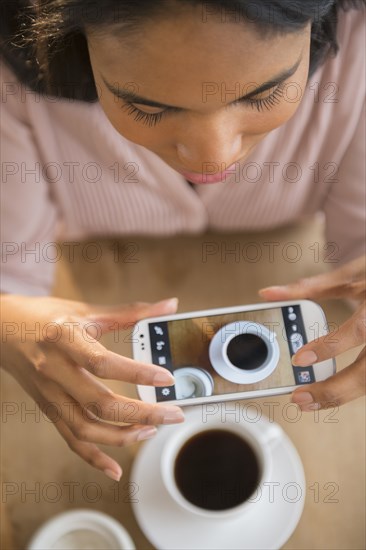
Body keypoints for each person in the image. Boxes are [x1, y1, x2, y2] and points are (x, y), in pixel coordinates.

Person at [1, 0, 365, 481]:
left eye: (263, 95)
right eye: (147, 106)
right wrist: (10, 325)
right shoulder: (14, 84)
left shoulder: (359, 52)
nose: (214, 157)